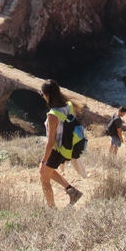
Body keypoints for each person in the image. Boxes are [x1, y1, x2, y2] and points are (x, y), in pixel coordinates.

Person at [39, 79, 83, 207]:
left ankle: (52, 208)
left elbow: (50, 142)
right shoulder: (69, 105)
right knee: (48, 171)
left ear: (48, 95)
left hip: (56, 150)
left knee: (44, 178)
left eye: (42, 94)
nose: (42, 96)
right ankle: (72, 192)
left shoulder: (52, 115)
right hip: (67, 147)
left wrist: (44, 160)